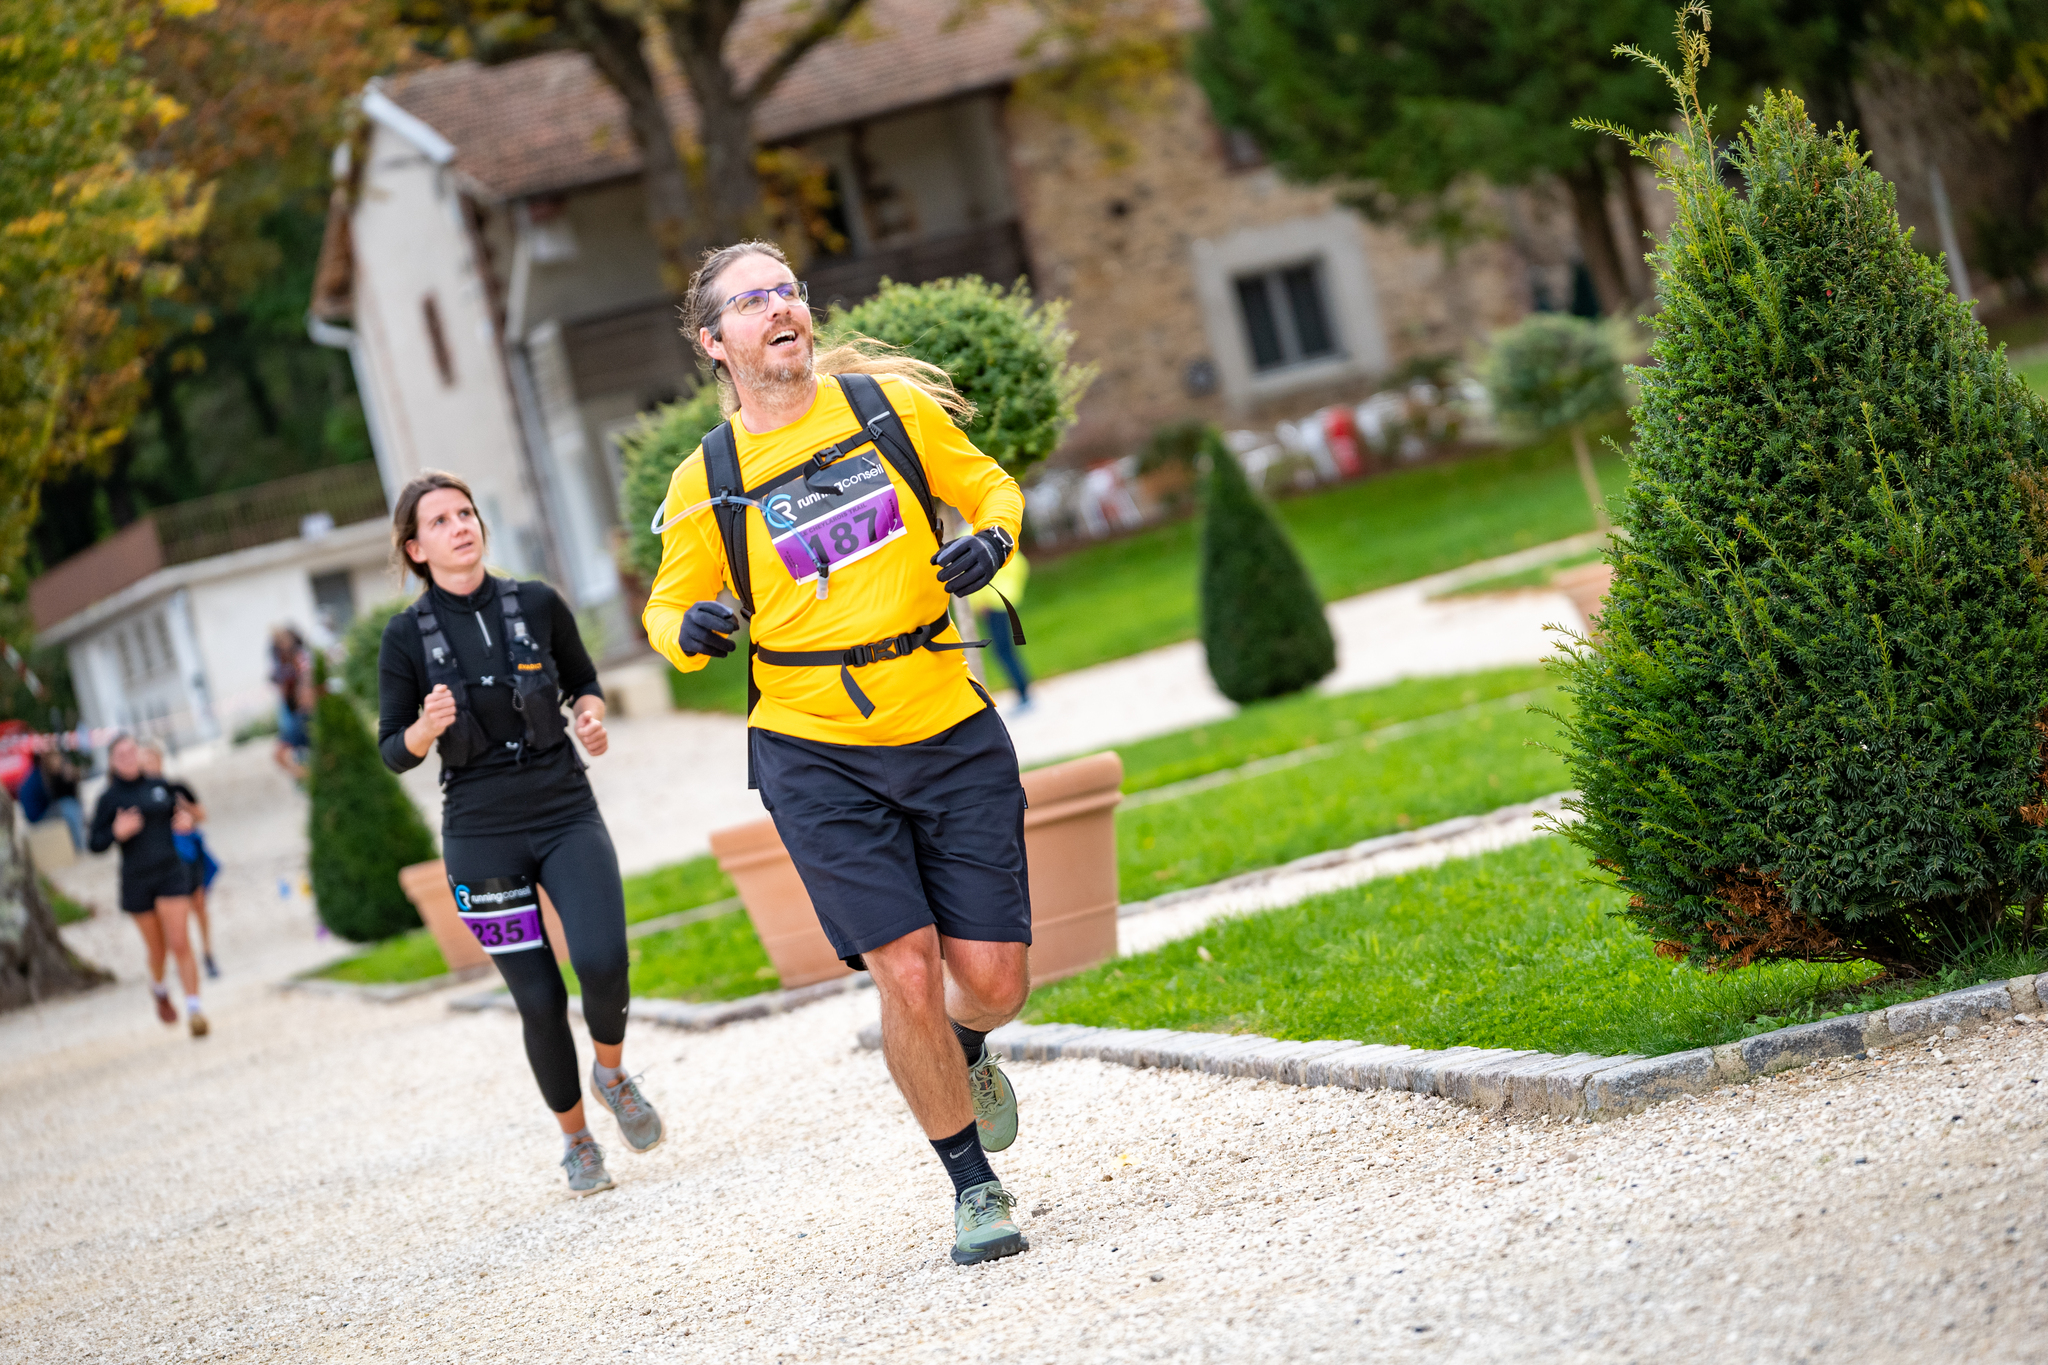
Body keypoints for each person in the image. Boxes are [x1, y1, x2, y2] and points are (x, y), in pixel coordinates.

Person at [644, 241, 1034, 1266]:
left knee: (994, 981)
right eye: (752, 300)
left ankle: (966, 1045)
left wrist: (991, 541)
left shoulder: (884, 410)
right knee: (903, 967)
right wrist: (690, 630)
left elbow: (990, 487)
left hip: (943, 717)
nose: (780, 307)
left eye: (788, 290)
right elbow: (664, 606)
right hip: (814, 747)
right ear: (714, 342)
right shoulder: (708, 477)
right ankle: (972, 1185)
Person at [376, 469, 660, 1197]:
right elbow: (393, 750)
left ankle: (610, 1072)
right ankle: (577, 1142)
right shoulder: (404, 637)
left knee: (602, 958)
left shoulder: (537, 602)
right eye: (440, 521)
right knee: (537, 998)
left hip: (565, 809)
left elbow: (584, 683)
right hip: (479, 835)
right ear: (415, 548)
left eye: (465, 513)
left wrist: (590, 718)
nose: (460, 527)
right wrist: (425, 728)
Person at [87, 733, 208, 1037]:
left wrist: (186, 822)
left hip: (170, 872)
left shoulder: (160, 785)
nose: (129, 759)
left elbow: (187, 815)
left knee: (179, 942)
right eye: (121, 755)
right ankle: (159, 987)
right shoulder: (109, 799)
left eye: (132, 752)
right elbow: (95, 843)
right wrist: (116, 832)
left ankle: (195, 1009)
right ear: (112, 762)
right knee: (158, 950)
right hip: (137, 881)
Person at [138, 741, 220, 978]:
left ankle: (207, 951)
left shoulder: (177, 788)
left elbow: (201, 815)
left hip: (187, 854)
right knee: (172, 913)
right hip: (162, 860)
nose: (149, 764)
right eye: (144, 760)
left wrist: (187, 813)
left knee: (199, 903)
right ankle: (183, 958)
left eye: (152, 758)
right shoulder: (139, 796)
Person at [968, 548, 1031, 709]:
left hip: (991, 605)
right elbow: (1020, 565)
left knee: (1003, 651)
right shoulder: (997, 535)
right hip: (1004, 601)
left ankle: (1024, 694)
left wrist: (980, 601)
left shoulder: (968, 538)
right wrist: (1013, 592)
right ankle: (1023, 692)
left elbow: (973, 574)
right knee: (1007, 649)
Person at [270, 628, 313, 782]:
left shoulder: (301, 658)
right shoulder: (282, 662)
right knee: (281, 755)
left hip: (301, 713)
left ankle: (308, 778)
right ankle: (307, 778)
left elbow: (306, 687)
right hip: (294, 712)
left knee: (283, 754)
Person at [39, 747, 87, 851]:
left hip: (71, 804)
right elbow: (52, 795)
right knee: (70, 808)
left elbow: (74, 792)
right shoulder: (47, 776)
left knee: (73, 808)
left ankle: (80, 843)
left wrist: (72, 777)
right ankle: (80, 845)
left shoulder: (66, 770)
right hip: (59, 806)